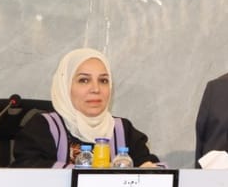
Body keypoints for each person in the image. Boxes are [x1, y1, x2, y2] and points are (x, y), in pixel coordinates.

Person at [12, 48, 161, 167]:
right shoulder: (44, 127)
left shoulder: (122, 130)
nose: (96, 89)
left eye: (103, 80)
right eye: (84, 80)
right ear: (65, 86)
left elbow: (153, 167)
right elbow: (27, 169)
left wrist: (150, 171)